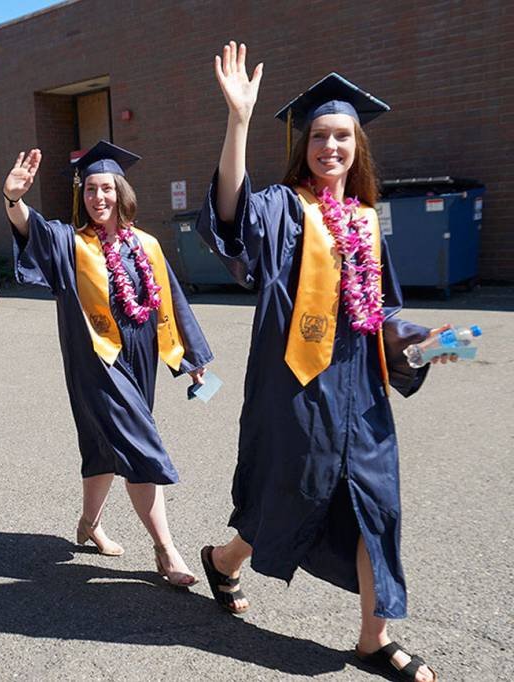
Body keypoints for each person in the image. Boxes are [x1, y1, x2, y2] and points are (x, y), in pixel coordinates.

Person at [195, 43, 449, 681]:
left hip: (362, 391)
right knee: (288, 494)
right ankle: (224, 561)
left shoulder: (365, 221)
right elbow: (231, 216)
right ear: (303, 145)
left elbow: (382, 311)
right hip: (297, 387)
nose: (330, 146)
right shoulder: (285, 208)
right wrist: (238, 121)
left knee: (376, 505)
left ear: (358, 147)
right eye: (318, 136)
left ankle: (374, 639)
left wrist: (420, 341)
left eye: (342, 136)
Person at [3, 141, 213, 586]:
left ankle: (89, 523)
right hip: (96, 361)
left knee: (103, 448)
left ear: (121, 192)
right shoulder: (71, 244)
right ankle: (166, 550)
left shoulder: (146, 244)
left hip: (141, 360)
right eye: (90, 189)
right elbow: (32, 230)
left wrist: (192, 360)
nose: (98, 197)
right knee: (139, 447)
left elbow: (172, 303)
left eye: (106, 188)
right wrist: (14, 200)